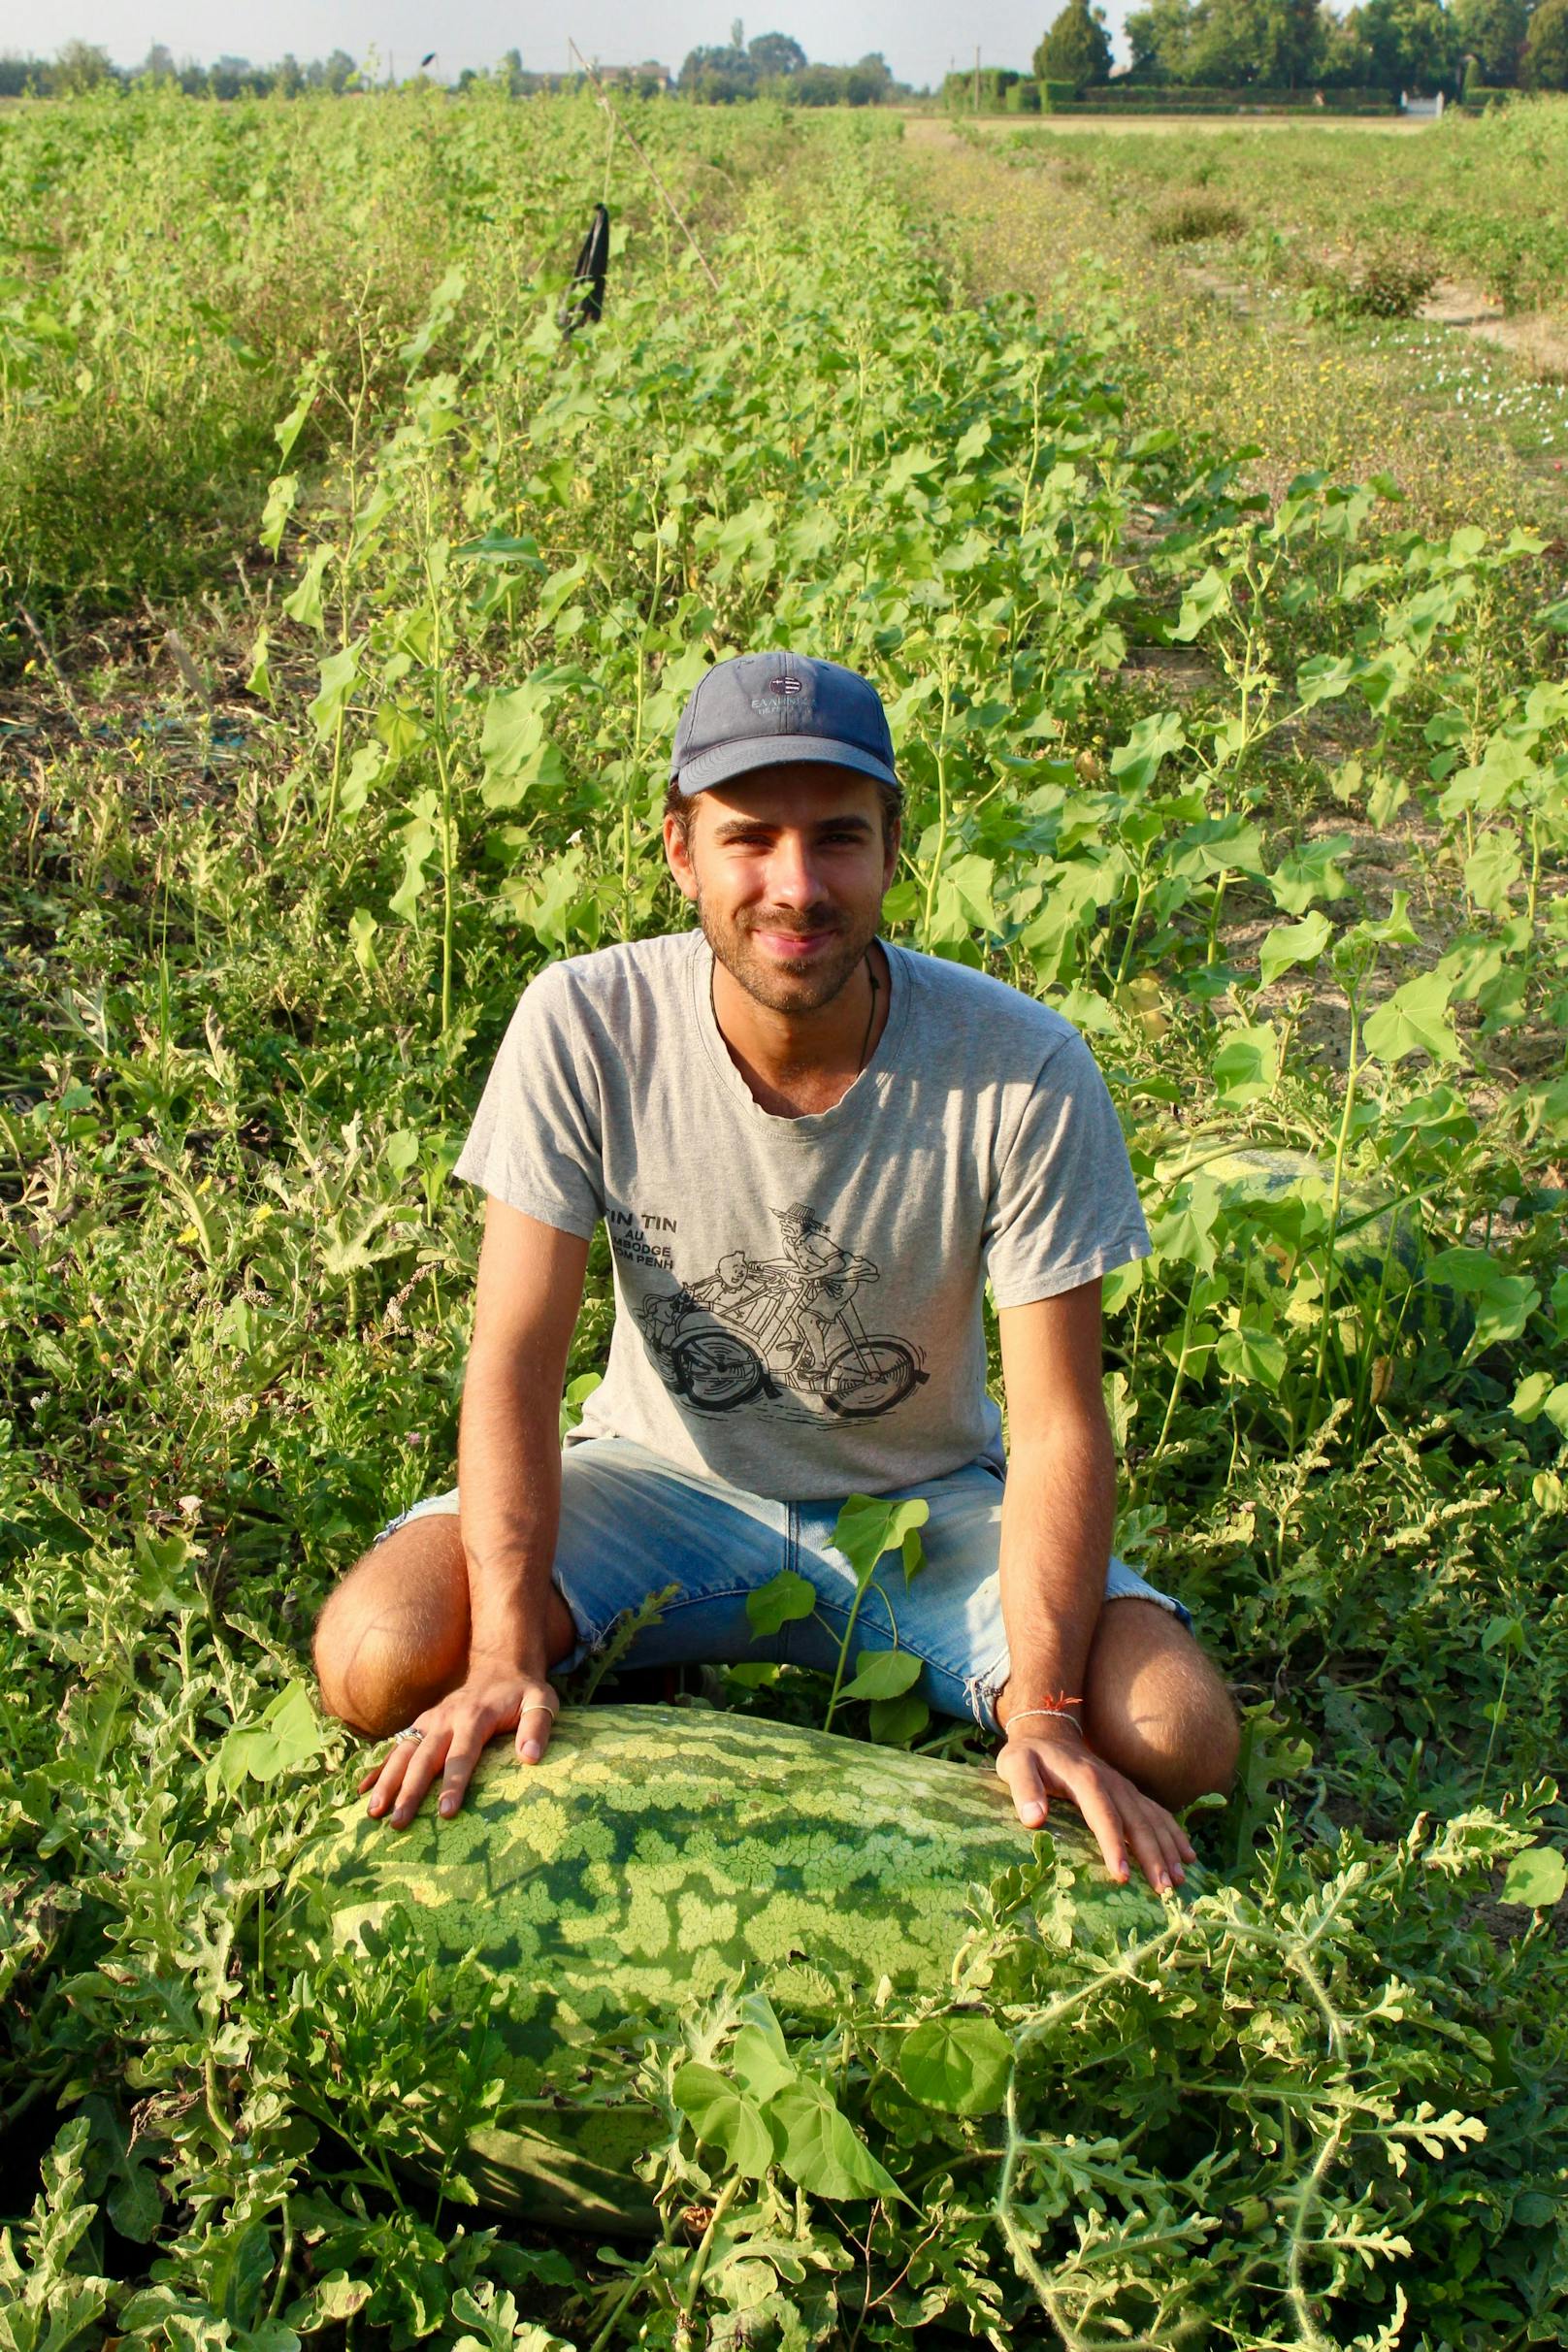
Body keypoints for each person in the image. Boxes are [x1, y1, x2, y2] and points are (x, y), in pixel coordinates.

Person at [313, 652, 1239, 1893]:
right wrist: (495, 1649)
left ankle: (700, 1673)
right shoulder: (583, 1023)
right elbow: (515, 1360)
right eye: (749, 838)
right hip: (652, 1482)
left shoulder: (1023, 1067)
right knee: (377, 1656)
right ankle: (602, 1648)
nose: (794, 887)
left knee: (1178, 1736)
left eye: (838, 839)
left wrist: (1052, 1710)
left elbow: (1062, 1423)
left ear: (892, 847)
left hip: (925, 1506)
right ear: (680, 849)